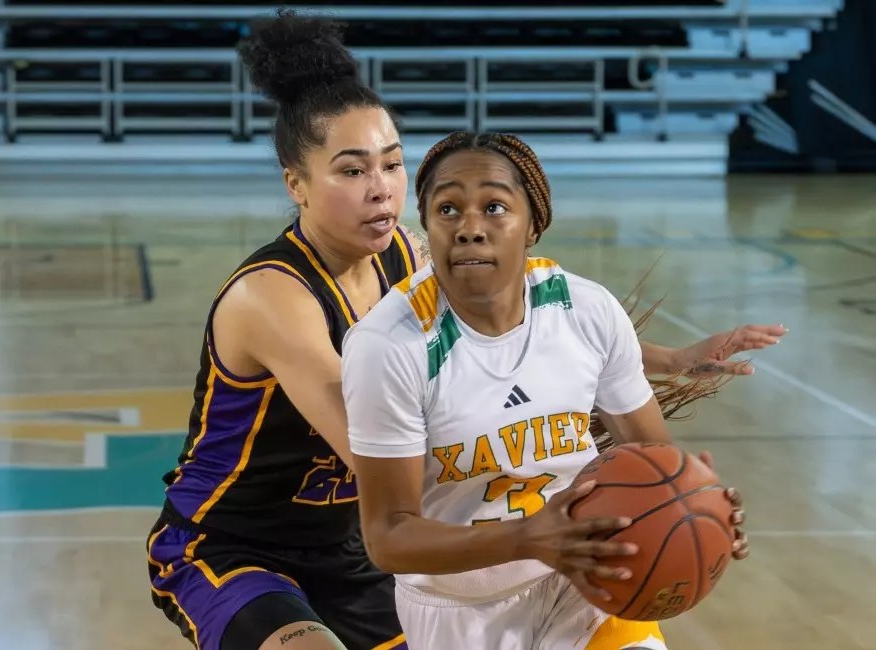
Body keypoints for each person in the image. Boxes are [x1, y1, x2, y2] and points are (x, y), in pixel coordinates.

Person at [146, 10, 782, 650]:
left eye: (392, 165)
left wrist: (664, 360)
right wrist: (554, 453)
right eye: (351, 170)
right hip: (236, 546)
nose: (380, 190)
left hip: (353, 550)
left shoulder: (407, 250)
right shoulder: (273, 296)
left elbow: (522, 328)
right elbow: (386, 448)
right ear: (297, 185)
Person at [340, 131, 752, 650]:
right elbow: (389, 538)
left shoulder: (587, 311)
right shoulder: (388, 346)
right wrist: (526, 538)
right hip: (460, 608)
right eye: (447, 210)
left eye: (494, 207)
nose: (469, 228)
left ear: (533, 225)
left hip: (583, 581)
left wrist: (696, 504)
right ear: (427, 226)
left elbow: (652, 453)